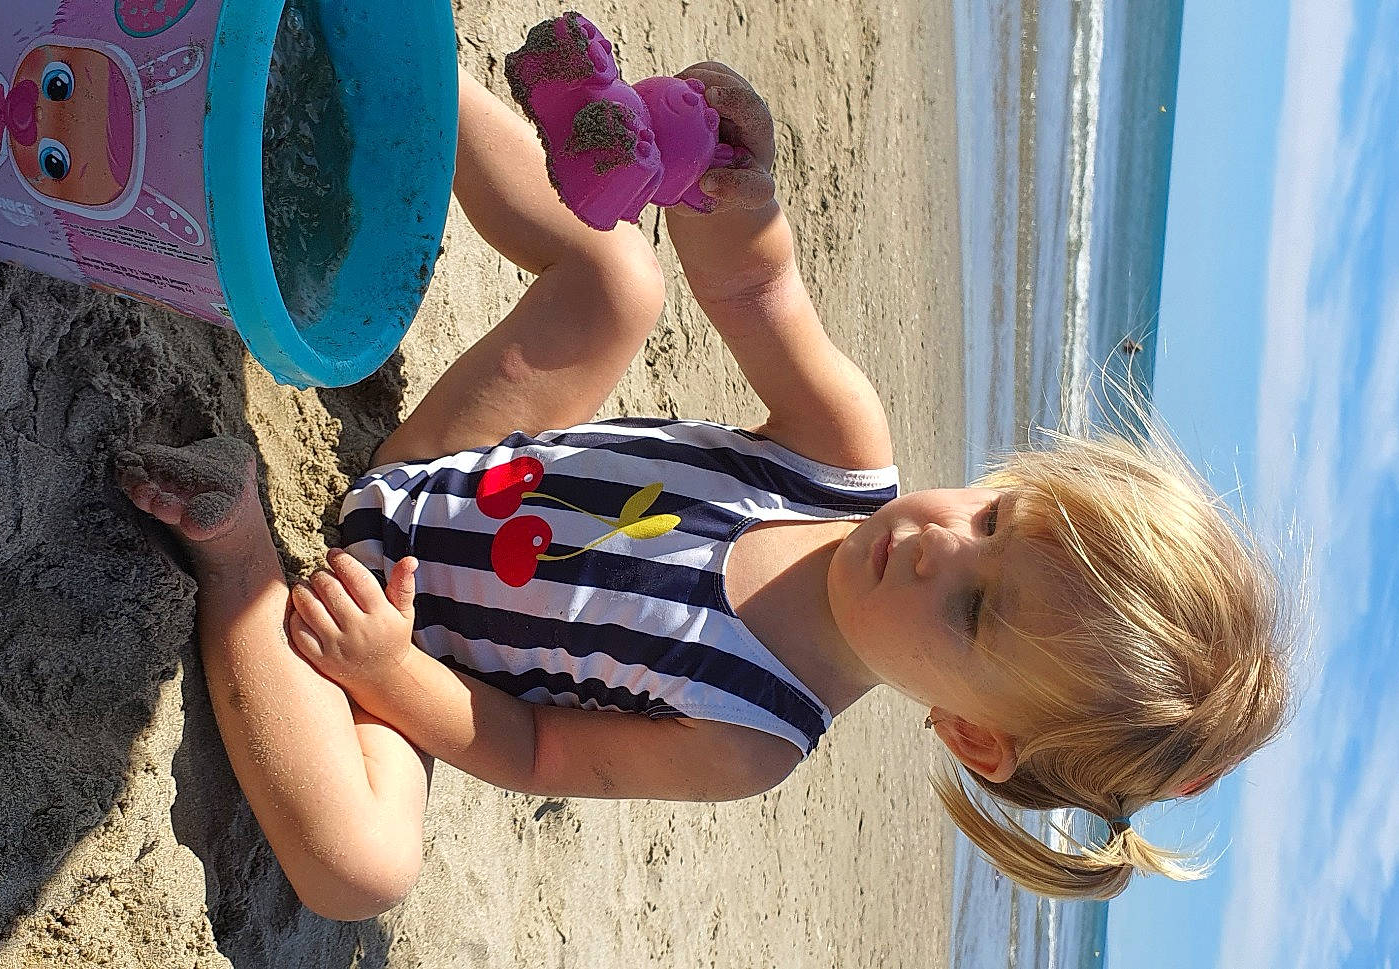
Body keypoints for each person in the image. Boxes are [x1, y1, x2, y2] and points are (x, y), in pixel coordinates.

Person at [115, 64, 1290, 920]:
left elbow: (531, 750)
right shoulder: (839, 456)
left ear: (974, 735)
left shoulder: (750, 736)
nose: (940, 543)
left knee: (362, 869)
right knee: (619, 278)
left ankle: (237, 561)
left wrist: (386, 674)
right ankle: (406, 77)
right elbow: (754, 292)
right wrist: (737, 190)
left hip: (405, 634)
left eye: (973, 612)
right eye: (992, 520)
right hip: (446, 464)